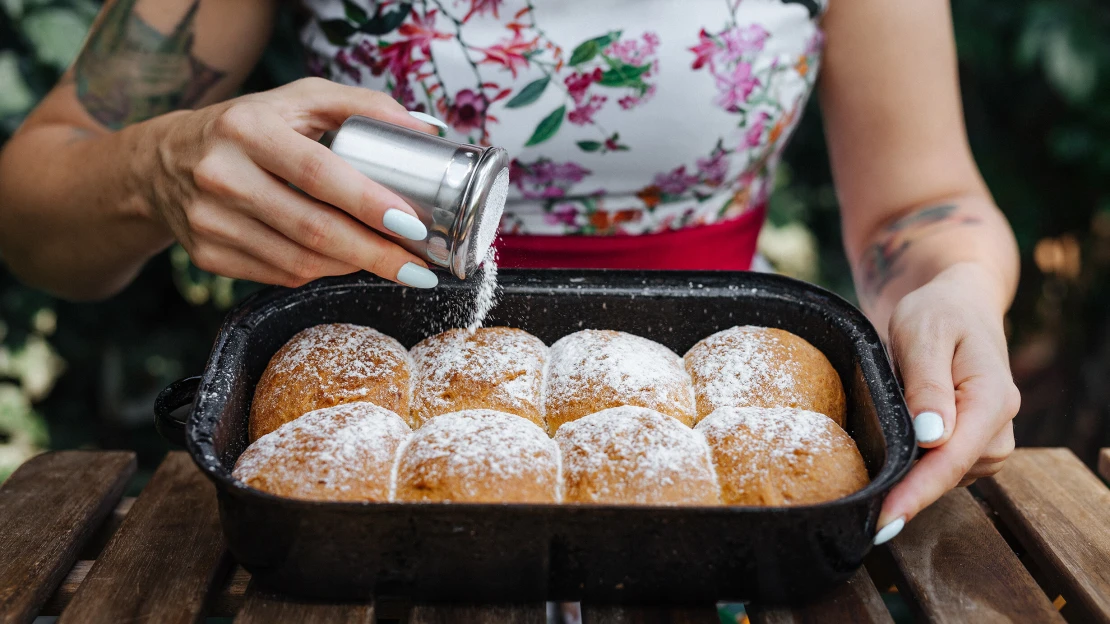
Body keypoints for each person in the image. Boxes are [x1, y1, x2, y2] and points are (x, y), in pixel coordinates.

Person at [0, 0, 1020, 545]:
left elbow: (920, 210)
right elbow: (31, 210)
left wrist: (955, 286)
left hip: (718, 488)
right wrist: (153, 167)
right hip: (339, 476)